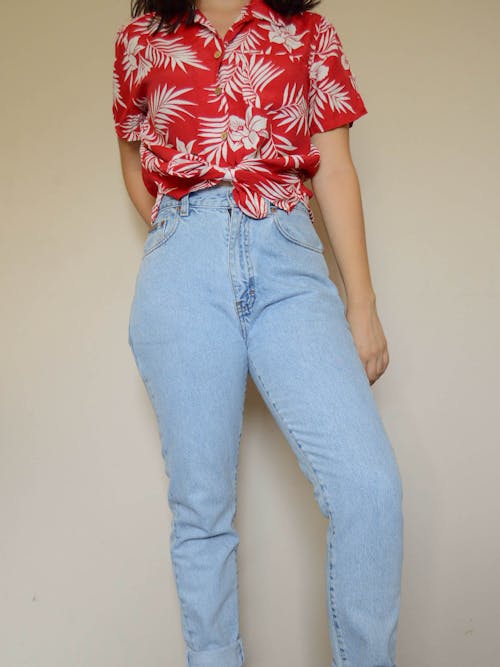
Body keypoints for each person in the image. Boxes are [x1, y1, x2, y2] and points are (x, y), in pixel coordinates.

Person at [112, 1, 404, 666]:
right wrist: (184, 231)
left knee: (370, 487)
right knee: (202, 509)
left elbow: (332, 167)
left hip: (289, 258)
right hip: (183, 267)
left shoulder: (305, 31)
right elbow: (134, 163)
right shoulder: (141, 38)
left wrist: (362, 302)